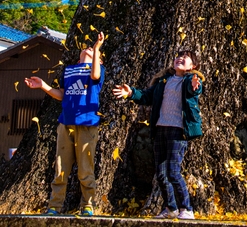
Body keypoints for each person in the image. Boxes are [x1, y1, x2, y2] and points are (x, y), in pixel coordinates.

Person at [113, 49, 203, 220]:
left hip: (178, 130)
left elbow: (195, 90)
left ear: (193, 66)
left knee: (173, 171)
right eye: (178, 56)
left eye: (185, 58)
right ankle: (170, 208)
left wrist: (194, 87)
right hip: (160, 129)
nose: (180, 59)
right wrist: (131, 93)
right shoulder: (164, 80)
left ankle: (187, 208)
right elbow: (147, 96)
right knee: (161, 173)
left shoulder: (190, 80)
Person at [25, 31, 105, 216]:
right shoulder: (69, 70)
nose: (87, 49)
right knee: (60, 166)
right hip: (65, 123)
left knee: (86, 167)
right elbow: (62, 95)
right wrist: (44, 86)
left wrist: (97, 49)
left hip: (87, 123)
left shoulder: (97, 69)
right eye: (86, 48)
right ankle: (54, 205)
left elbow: (94, 75)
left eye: (92, 51)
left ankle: (88, 205)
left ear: (99, 60)